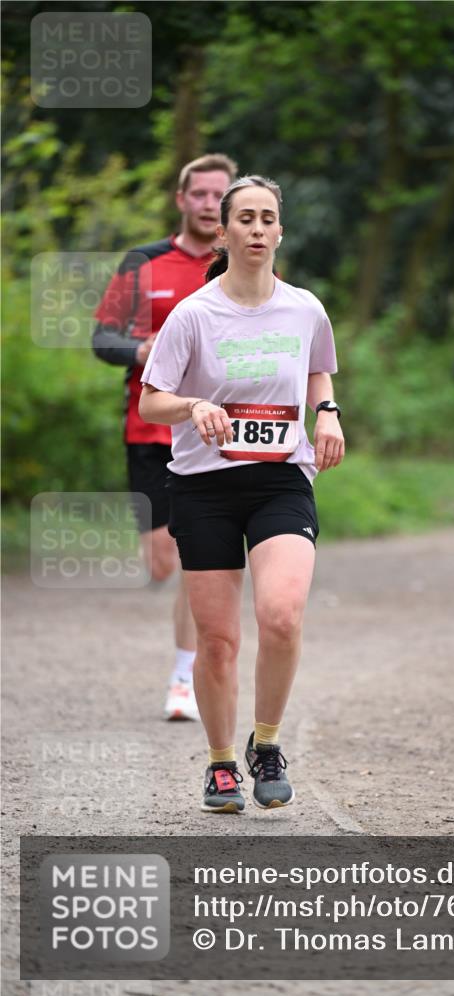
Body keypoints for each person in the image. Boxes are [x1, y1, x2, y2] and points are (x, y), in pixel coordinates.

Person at [139, 175, 345, 813]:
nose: (257, 229)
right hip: (204, 486)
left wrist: (328, 411)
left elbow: (317, 365)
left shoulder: (305, 307)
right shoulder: (194, 313)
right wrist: (196, 404)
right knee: (219, 640)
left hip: (282, 476)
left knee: (281, 615)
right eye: (245, 219)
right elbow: (151, 398)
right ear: (224, 232)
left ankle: (269, 743)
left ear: (280, 231)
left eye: (268, 219)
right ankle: (222, 762)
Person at [92, 153, 238, 721]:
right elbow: (101, 337)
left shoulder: (243, 265)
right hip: (151, 427)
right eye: (198, 194)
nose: (207, 205)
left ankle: (185, 676)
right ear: (182, 200)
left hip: (218, 433)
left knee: (193, 551)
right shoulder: (144, 263)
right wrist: (140, 350)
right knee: (161, 561)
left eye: (217, 196)